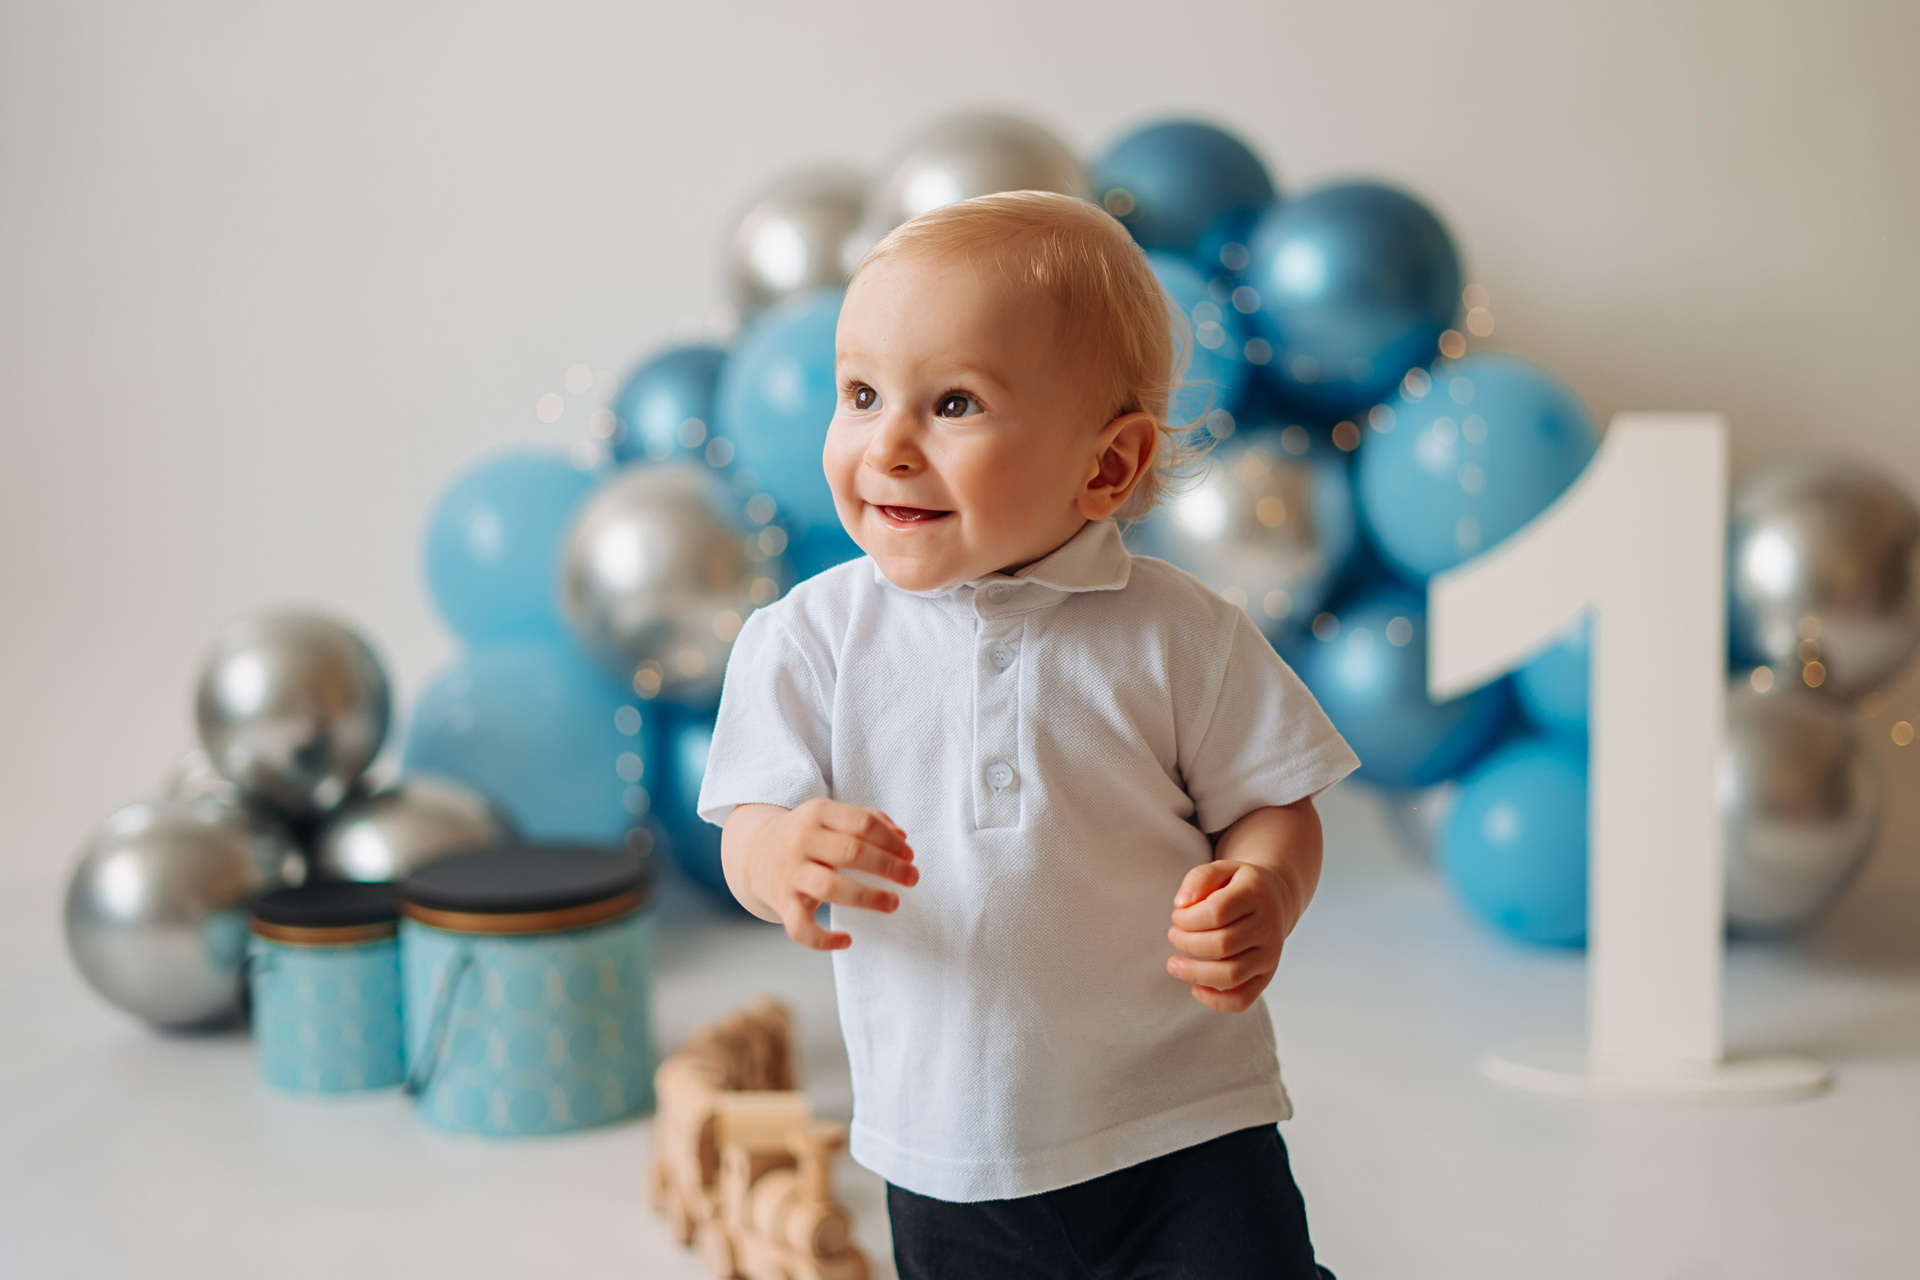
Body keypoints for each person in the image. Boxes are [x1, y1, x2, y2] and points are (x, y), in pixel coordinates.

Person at [698, 190, 1358, 1280]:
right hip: (947, 1147)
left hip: (1182, 1120)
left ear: (1107, 467)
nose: (888, 444)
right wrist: (779, 854)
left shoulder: (1180, 633)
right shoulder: (811, 638)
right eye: (861, 394)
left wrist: (1266, 891)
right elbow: (746, 828)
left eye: (954, 403)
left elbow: (1272, 806)